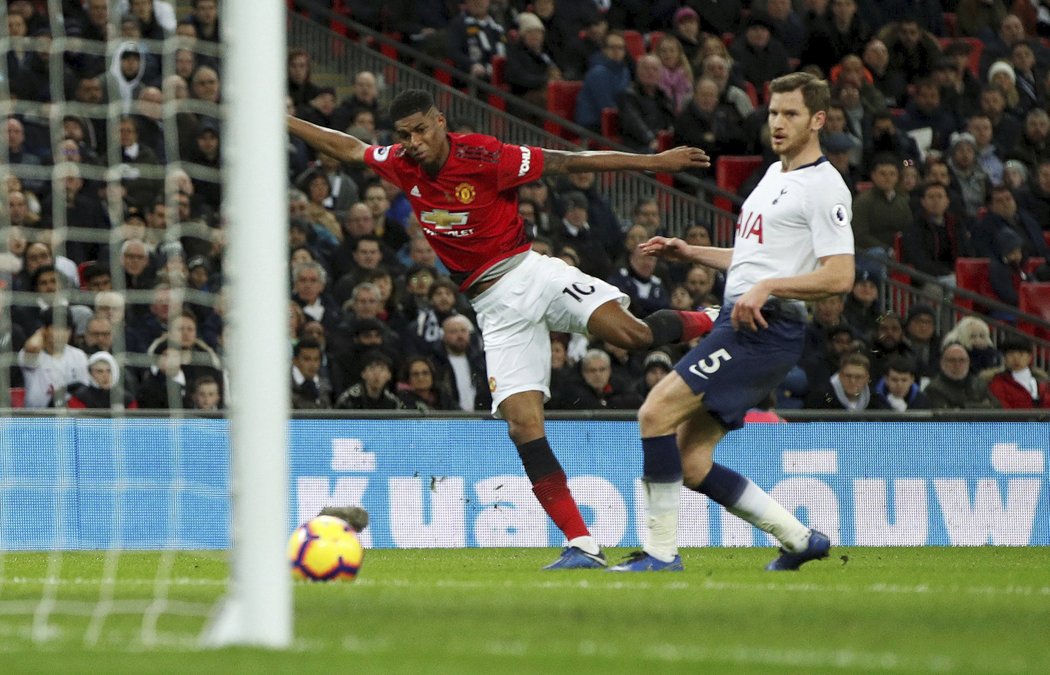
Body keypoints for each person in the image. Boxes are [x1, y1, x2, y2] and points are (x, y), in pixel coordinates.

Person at [289, 88, 716, 570]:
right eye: (404, 136)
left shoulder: (484, 155)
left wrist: (653, 160)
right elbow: (347, 146)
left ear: (440, 122)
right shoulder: (400, 163)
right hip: (492, 306)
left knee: (633, 336)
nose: (413, 143)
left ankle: (717, 317)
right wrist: (282, 119)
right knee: (522, 425)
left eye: (421, 131)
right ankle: (582, 544)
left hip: (531, 273)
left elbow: (566, 162)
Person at [611, 72, 855, 572]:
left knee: (654, 413)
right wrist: (691, 252)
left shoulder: (825, 187)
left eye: (790, 114)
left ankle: (659, 554)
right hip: (741, 319)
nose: (778, 123)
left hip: (765, 327)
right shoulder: (772, 176)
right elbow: (753, 260)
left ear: (818, 120)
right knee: (692, 461)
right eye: (773, 113)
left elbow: (840, 275)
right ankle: (800, 538)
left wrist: (770, 289)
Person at [987, 335, 1050, 409]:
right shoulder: (997, 383)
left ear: (1030, 357)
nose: (1016, 358)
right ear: (1004, 358)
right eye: (1010, 354)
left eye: (1021, 353)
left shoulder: (1043, 383)